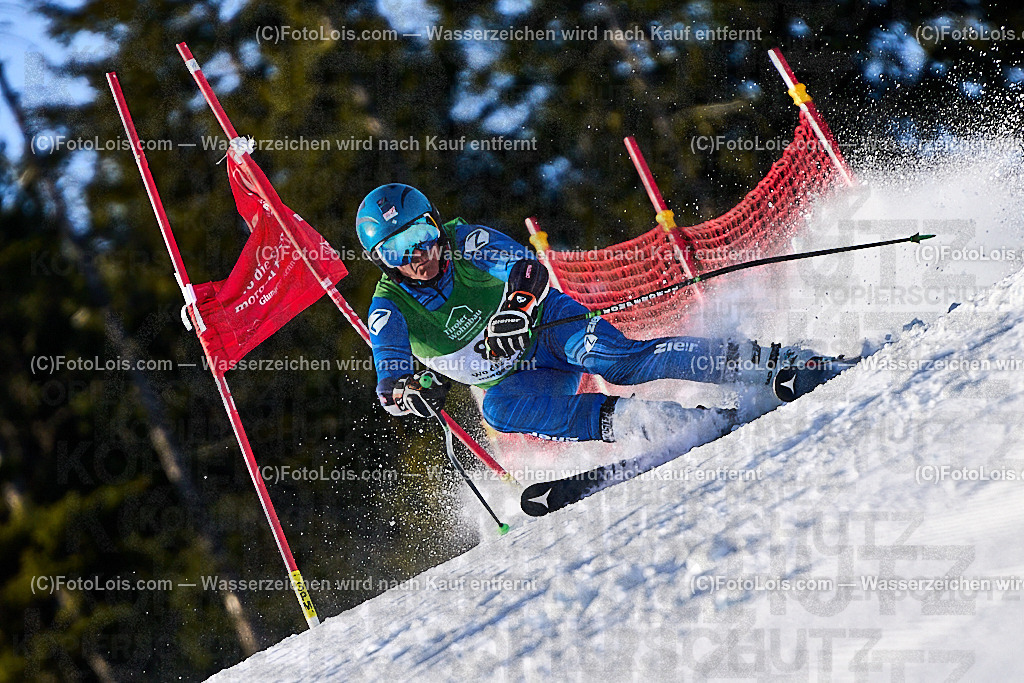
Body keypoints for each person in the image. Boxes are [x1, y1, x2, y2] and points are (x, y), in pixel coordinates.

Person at [357, 183, 847, 445]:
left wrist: (518, 307)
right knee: (500, 412)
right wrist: (409, 393)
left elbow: (526, 267)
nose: (416, 255)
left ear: (435, 226)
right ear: (382, 261)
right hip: (514, 382)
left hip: (549, 329)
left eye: (419, 236)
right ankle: (654, 423)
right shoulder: (389, 307)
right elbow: (389, 380)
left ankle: (764, 363)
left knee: (620, 362)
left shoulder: (466, 241)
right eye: (396, 250)